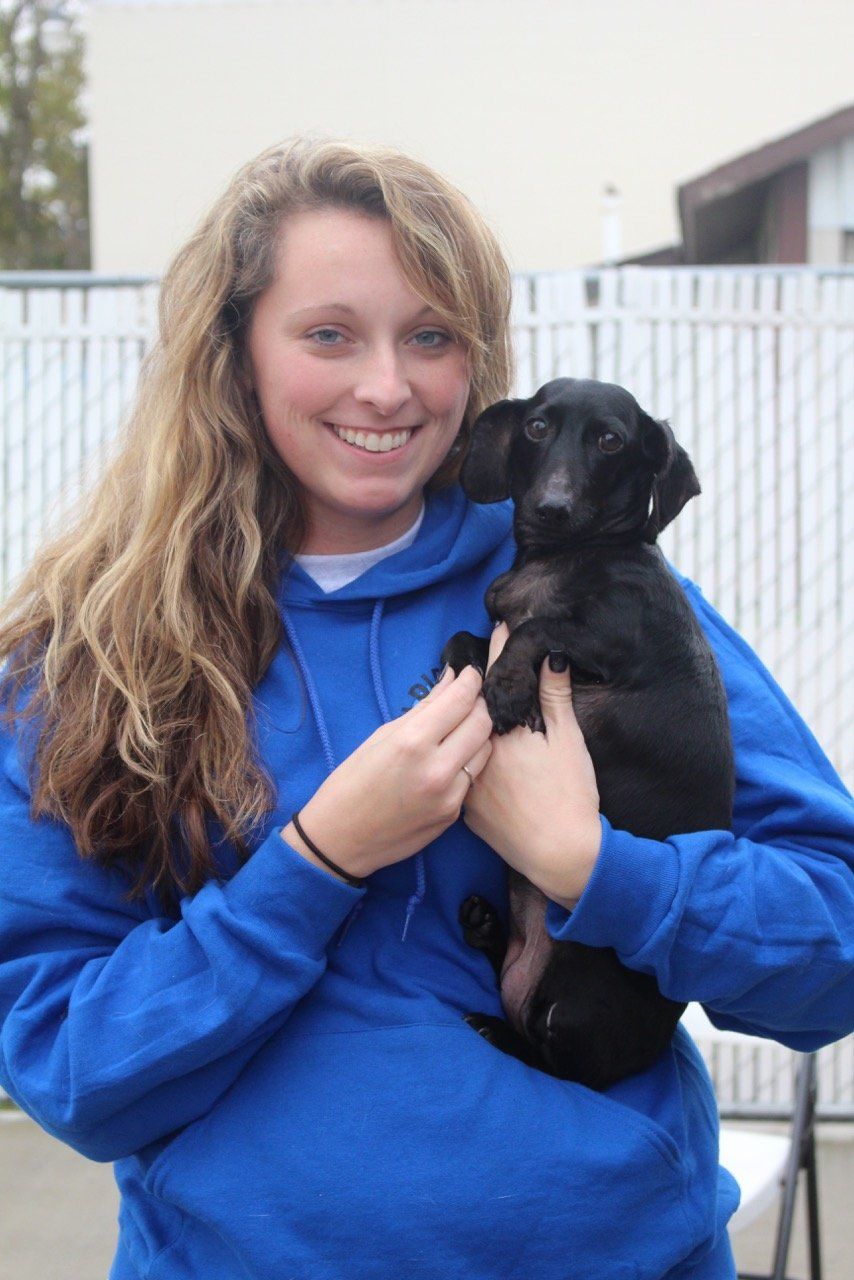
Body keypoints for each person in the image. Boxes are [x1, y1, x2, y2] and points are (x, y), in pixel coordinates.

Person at [0, 137, 851, 1280]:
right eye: (328, 333)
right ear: (233, 355)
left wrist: (595, 862)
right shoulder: (88, 654)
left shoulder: (602, 597)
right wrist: (316, 858)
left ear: (477, 362)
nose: (388, 386)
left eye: (431, 336)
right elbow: (71, 1070)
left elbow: (832, 946)